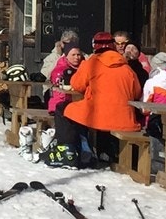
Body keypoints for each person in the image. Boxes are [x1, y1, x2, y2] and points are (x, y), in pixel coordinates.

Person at [47, 31, 141, 167]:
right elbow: (137, 92)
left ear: (94, 47)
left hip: (97, 115)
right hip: (125, 119)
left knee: (63, 108)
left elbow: (76, 84)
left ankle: (68, 150)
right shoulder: (126, 68)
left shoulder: (92, 63)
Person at [45, 45, 84, 114]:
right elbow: (59, 84)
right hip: (61, 103)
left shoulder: (85, 66)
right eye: (73, 55)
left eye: (78, 55)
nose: (76, 57)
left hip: (79, 102)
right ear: (66, 56)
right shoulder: (61, 68)